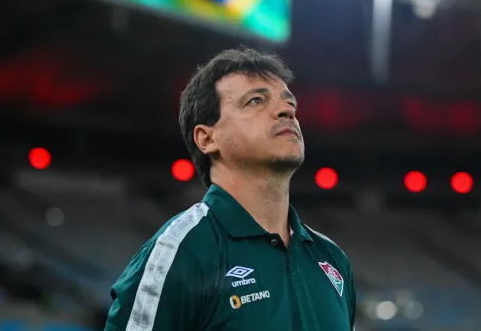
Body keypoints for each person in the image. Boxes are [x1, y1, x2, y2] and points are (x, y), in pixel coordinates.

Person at [105, 48, 356, 330]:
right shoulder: (182, 251)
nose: (286, 111)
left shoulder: (332, 259)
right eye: (256, 101)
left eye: (289, 104)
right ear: (207, 138)